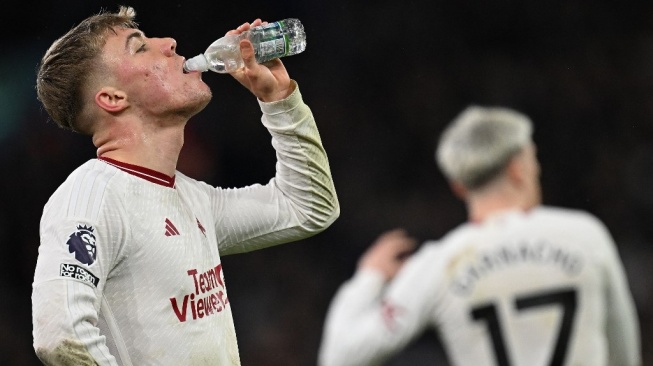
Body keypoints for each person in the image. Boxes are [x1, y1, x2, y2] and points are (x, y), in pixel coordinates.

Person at [31, 6, 339, 365]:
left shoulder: (191, 198)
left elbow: (309, 207)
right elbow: (60, 335)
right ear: (113, 98)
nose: (170, 43)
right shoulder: (90, 198)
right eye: (140, 47)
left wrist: (280, 101)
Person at [318, 106, 640, 366]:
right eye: (534, 158)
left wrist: (369, 277)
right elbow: (624, 352)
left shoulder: (442, 263)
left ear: (458, 186)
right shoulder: (585, 235)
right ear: (517, 167)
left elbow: (340, 356)